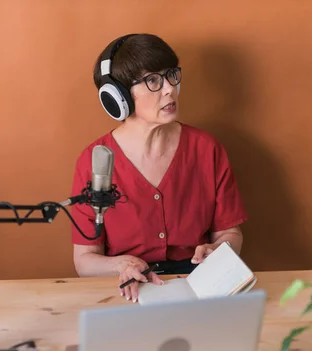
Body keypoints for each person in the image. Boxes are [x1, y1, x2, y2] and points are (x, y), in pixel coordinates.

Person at [69, 33, 248, 302]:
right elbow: (84, 260)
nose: (169, 89)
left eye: (171, 75)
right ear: (118, 97)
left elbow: (230, 233)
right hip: (125, 292)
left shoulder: (207, 148)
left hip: (197, 287)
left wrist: (219, 250)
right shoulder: (96, 161)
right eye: (153, 80)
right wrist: (121, 265)